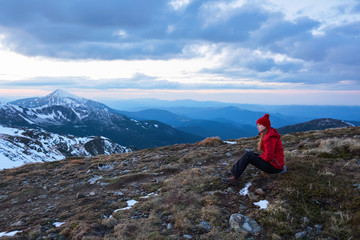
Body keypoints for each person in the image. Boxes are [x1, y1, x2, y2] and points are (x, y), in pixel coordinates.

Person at [222, 114, 286, 185]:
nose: (257, 127)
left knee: (248, 155)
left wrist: (261, 157)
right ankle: (234, 172)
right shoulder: (268, 134)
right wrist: (262, 156)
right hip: (275, 164)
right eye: (257, 125)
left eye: (259, 125)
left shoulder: (269, 138)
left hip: (275, 167)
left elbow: (269, 157)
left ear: (265, 125)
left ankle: (233, 178)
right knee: (249, 155)